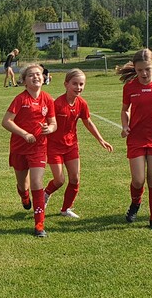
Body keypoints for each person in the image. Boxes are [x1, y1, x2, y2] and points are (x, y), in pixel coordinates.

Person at [44, 69, 113, 220]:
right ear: (66, 84)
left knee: (75, 179)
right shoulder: (57, 104)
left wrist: (101, 139)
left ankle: (66, 209)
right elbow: (47, 122)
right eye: (75, 84)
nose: (78, 87)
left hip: (71, 146)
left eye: (81, 84)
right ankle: (46, 193)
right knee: (59, 180)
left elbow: (88, 122)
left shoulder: (82, 103)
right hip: (54, 147)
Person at [118, 49, 152, 231]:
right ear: (135, 68)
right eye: (140, 70)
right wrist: (125, 125)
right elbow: (125, 110)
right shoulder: (130, 87)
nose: (143, 73)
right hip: (136, 138)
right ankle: (135, 203)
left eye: (147, 69)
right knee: (138, 180)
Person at [2, 63, 57, 238]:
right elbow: (6, 121)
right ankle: (24, 196)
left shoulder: (48, 99)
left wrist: (50, 128)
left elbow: (53, 123)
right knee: (22, 185)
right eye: (31, 75)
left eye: (38, 74)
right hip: (19, 148)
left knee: (36, 182)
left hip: (38, 147)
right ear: (24, 81)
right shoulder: (20, 99)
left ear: (44, 77)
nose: (36, 77)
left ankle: (39, 225)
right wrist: (24, 134)